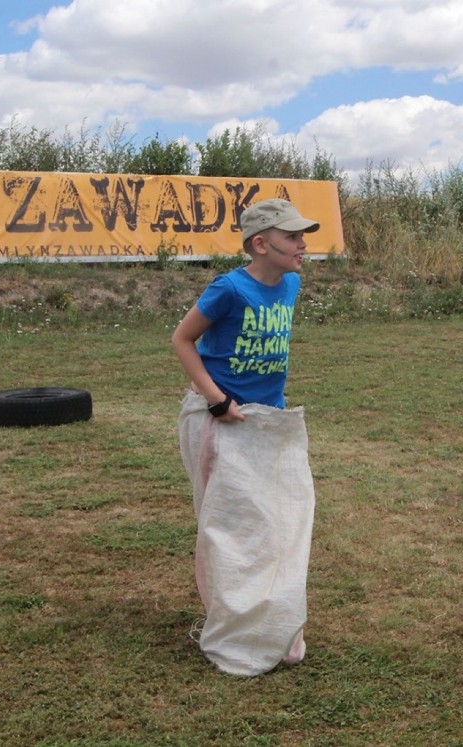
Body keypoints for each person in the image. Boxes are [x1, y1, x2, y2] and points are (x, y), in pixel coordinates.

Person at [171, 198, 320, 676]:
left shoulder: (292, 284)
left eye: (303, 236)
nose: (303, 245)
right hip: (224, 424)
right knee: (237, 529)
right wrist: (216, 398)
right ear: (261, 243)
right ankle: (237, 631)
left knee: (279, 527)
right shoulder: (229, 289)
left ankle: (273, 625)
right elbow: (182, 339)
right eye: (293, 237)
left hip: (268, 426)